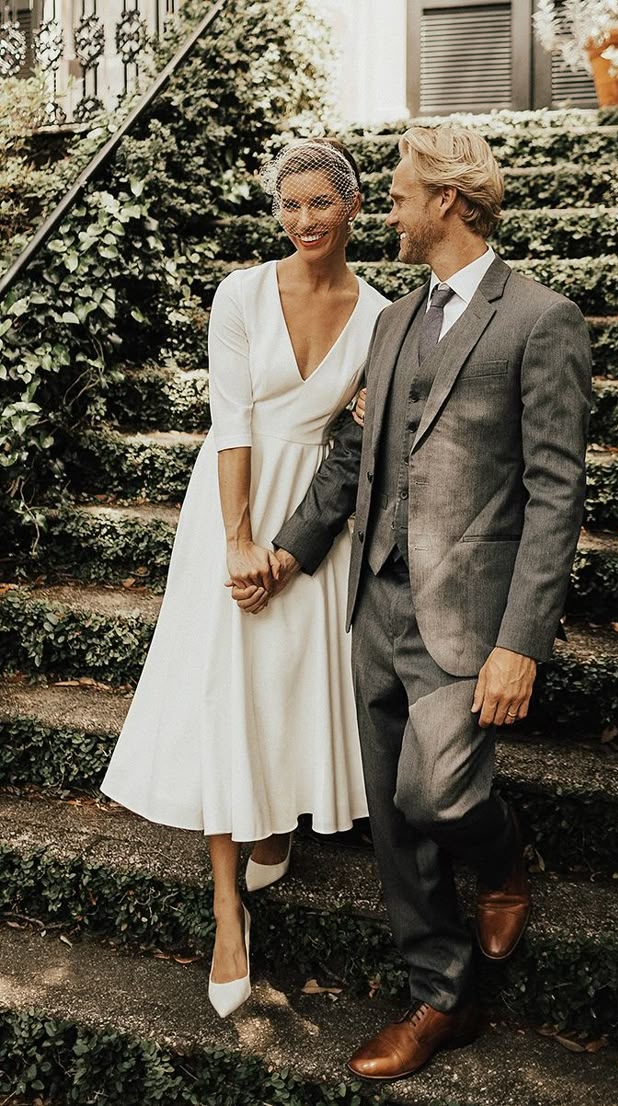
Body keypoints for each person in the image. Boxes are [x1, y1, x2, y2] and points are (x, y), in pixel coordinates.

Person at [242, 124, 591, 1079]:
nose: (384, 210)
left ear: (445, 200)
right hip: (377, 599)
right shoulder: (394, 321)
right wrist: (286, 551)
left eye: (397, 194)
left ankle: (505, 851)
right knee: (392, 818)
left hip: (469, 614)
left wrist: (522, 640)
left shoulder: (539, 319)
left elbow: (557, 491)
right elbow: (356, 456)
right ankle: (440, 995)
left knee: (436, 791)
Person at [101, 138, 389, 1018]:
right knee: (227, 689)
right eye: (289, 205)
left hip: (313, 525)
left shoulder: (383, 315)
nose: (304, 220)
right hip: (233, 498)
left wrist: (291, 546)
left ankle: (274, 820)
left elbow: (360, 441)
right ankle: (228, 913)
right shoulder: (240, 293)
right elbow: (232, 421)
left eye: (320, 204)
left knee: (287, 683)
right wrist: (236, 539)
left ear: (352, 207)